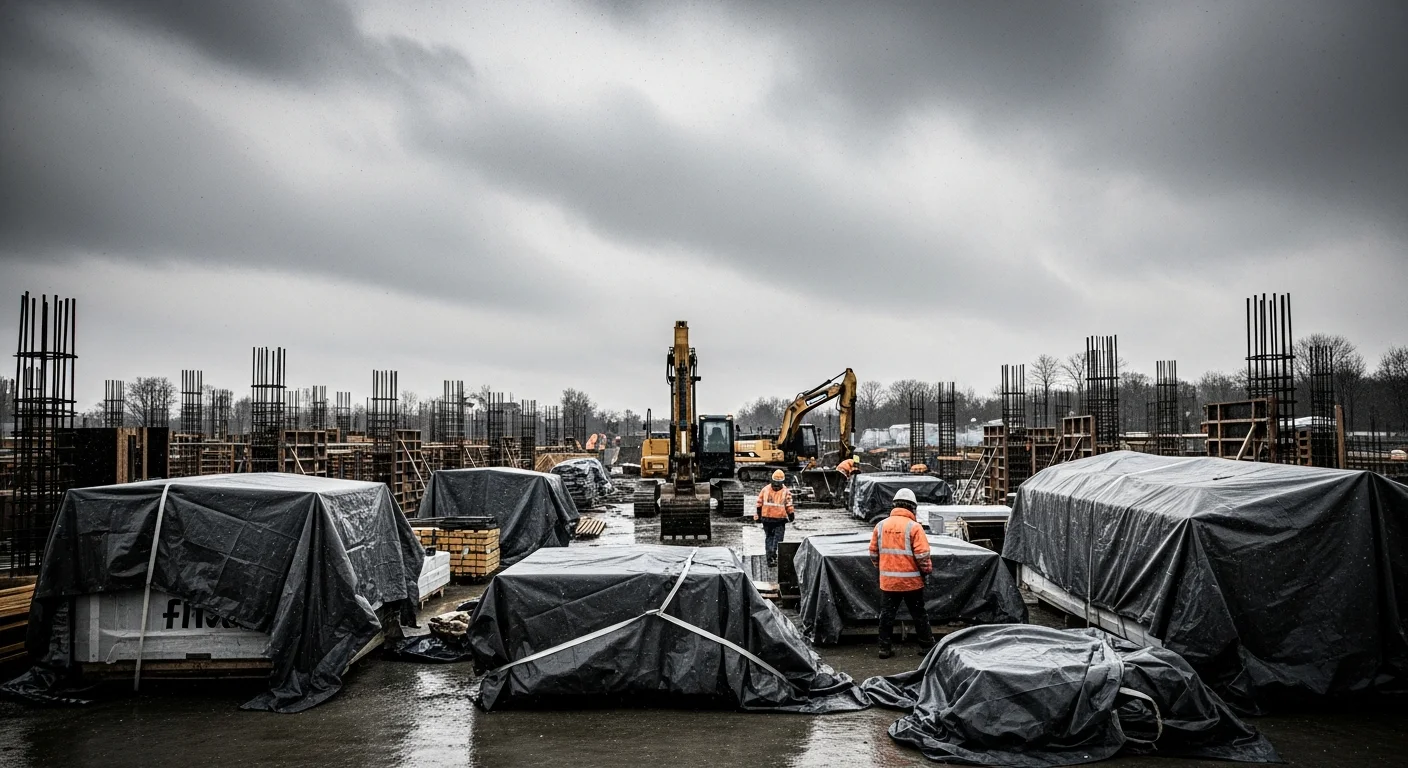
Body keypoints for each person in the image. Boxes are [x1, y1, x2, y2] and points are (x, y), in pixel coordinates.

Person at [869, 488, 934, 658]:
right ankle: (927, 647)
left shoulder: (881, 525)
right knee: (919, 614)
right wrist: (926, 571)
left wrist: (882, 568)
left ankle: (884, 648)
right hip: (912, 583)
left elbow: (873, 553)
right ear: (913, 507)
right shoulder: (914, 527)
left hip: (888, 582)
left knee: (887, 615)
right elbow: (922, 555)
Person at [754, 469, 794, 567]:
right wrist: (791, 515)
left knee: (769, 538)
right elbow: (789, 505)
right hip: (779, 520)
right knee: (778, 539)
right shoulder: (785, 491)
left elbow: (759, 503)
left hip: (766, 519)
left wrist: (759, 516)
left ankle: (769, 558)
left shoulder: (765, 489)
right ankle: (774, 556)